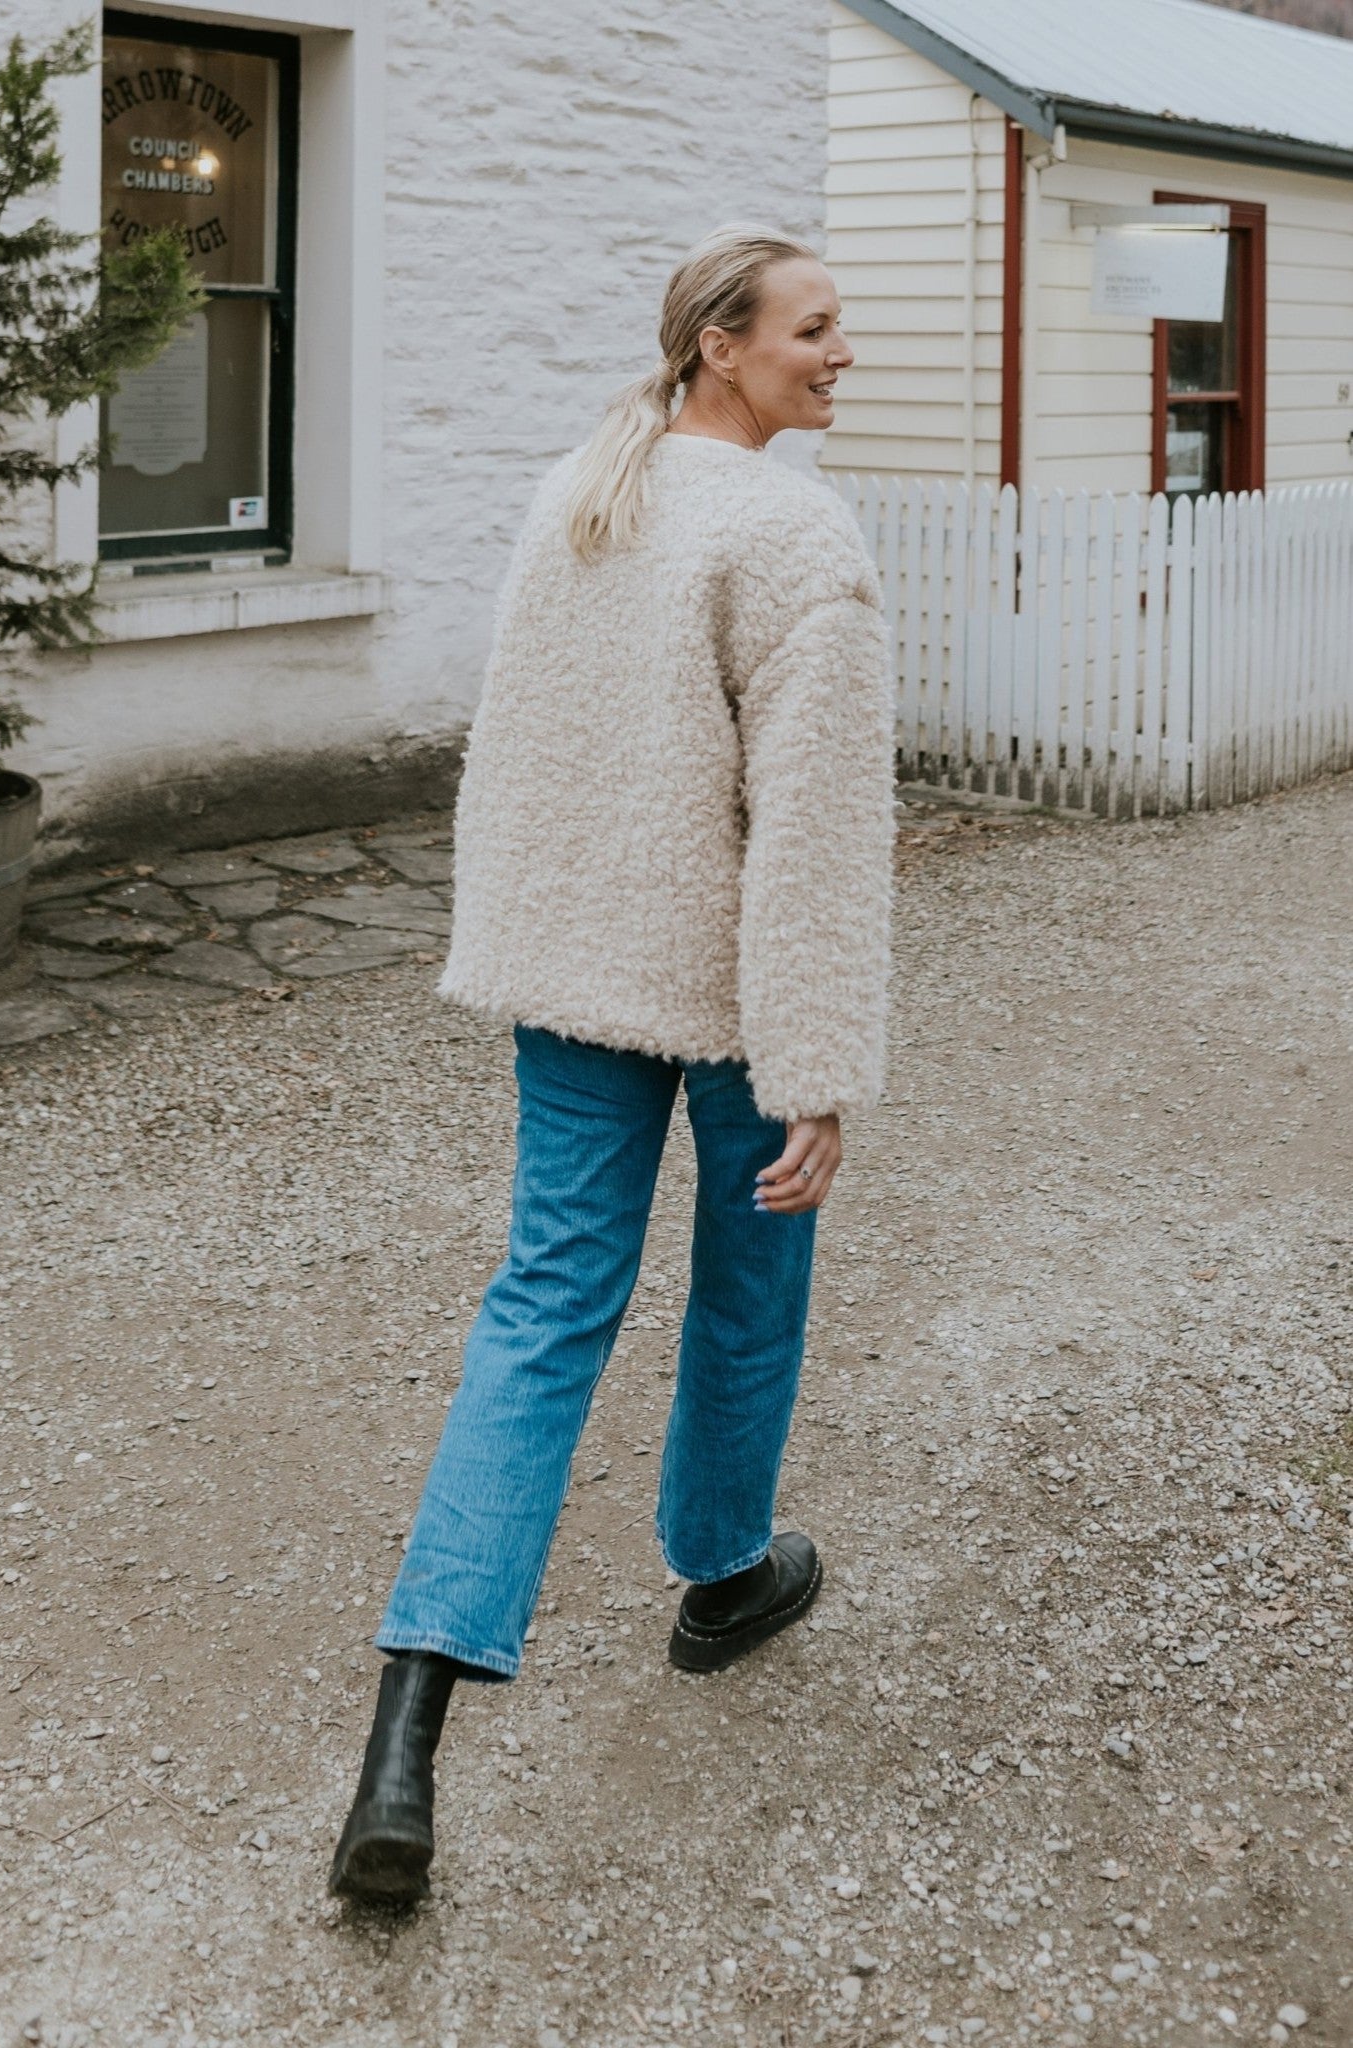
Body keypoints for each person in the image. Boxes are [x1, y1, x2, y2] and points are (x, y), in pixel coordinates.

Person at [329, 224, 894, 1904]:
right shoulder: (796, 533)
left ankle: (404, 1744)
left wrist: (528, 941)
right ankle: (721, 1577)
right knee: (748, 1282)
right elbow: (809, 839)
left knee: (542, 1302)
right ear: (721, 343)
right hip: (721, 990)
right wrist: (813, 1064)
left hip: (568, 974)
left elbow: (516, 754)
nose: (840, 350)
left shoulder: (588, 481)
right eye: (814, 326)